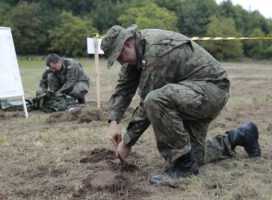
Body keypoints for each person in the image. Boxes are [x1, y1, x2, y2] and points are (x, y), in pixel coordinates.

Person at [101, 25, 261, 185]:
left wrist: (127, 142)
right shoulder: (137, 49)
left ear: (128, 45)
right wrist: (113, 121)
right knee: (195, 157)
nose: (121, 62)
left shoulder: (155, 51)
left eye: (120, 57)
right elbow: (124, 87)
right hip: (189, 92)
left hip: (211, 90)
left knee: (155, 99)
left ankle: (185, 168)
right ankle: (239, 135)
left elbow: (147, 103)